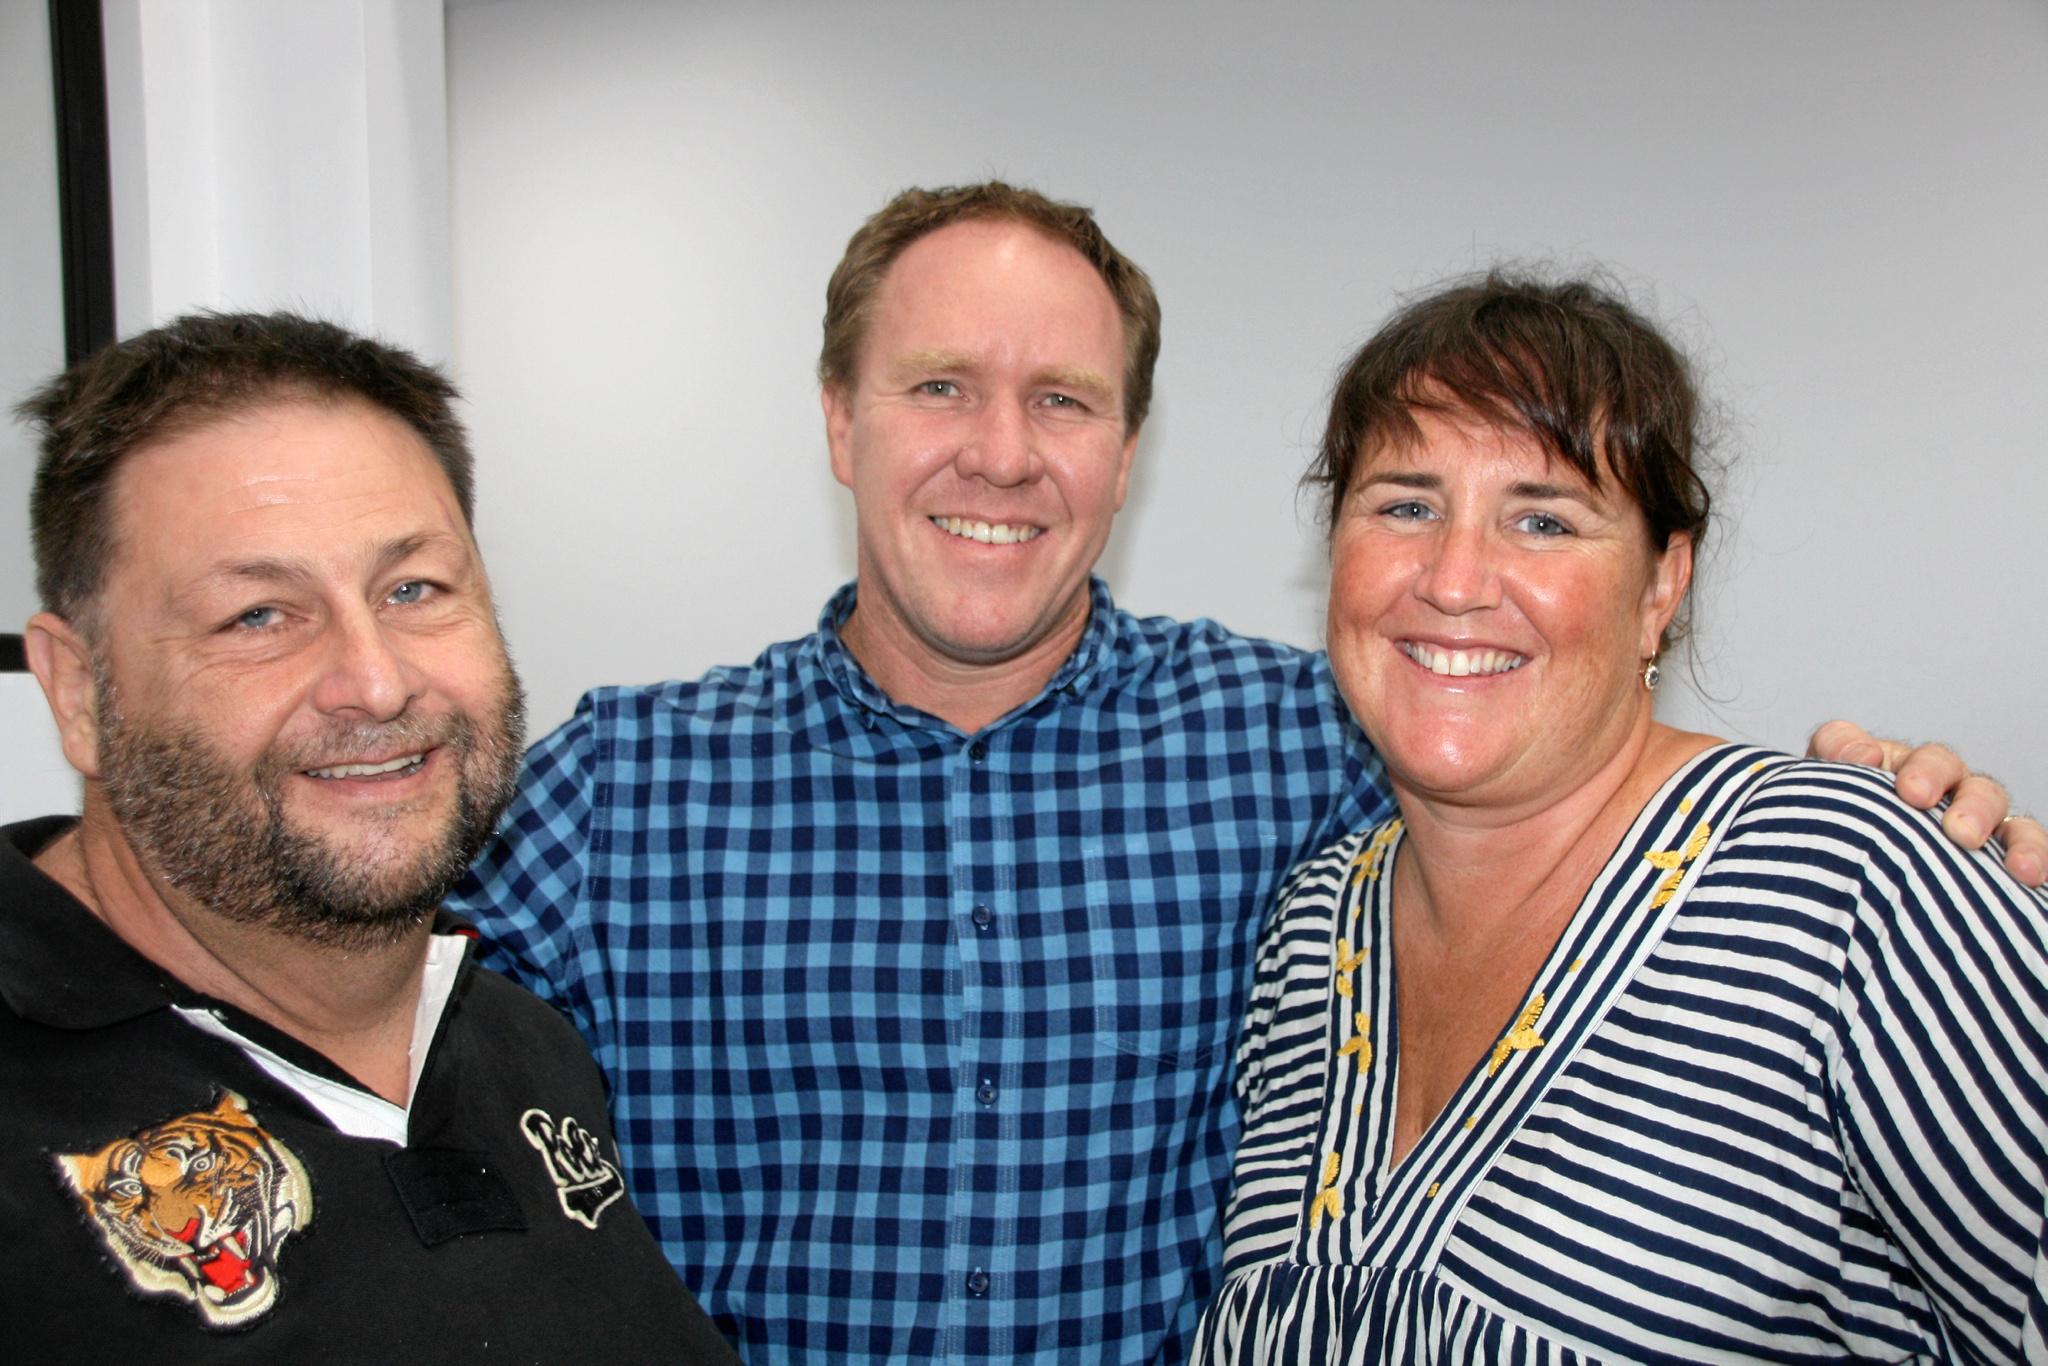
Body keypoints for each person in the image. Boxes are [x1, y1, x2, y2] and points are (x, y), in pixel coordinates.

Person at [450, 182, 2045, 1365]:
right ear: (838, 419)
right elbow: (321, 1033)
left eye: (1063, 400)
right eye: (940, 385)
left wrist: (1923, 821)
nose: (1000, 452)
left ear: (1126, 454)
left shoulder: (1309, 746)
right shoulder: (619, 789)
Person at [1191, 274, 2048, 1363]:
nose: (1454, 579)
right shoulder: (1312, 932)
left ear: (1660, 585)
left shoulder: (1841, 885)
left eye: (1540, 518)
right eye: (1404, 503)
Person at [3, 313, 736, 1362]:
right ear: (79, 690)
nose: (377, 682)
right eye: (259, 614)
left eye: (413, 590)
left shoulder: (526, 1048)